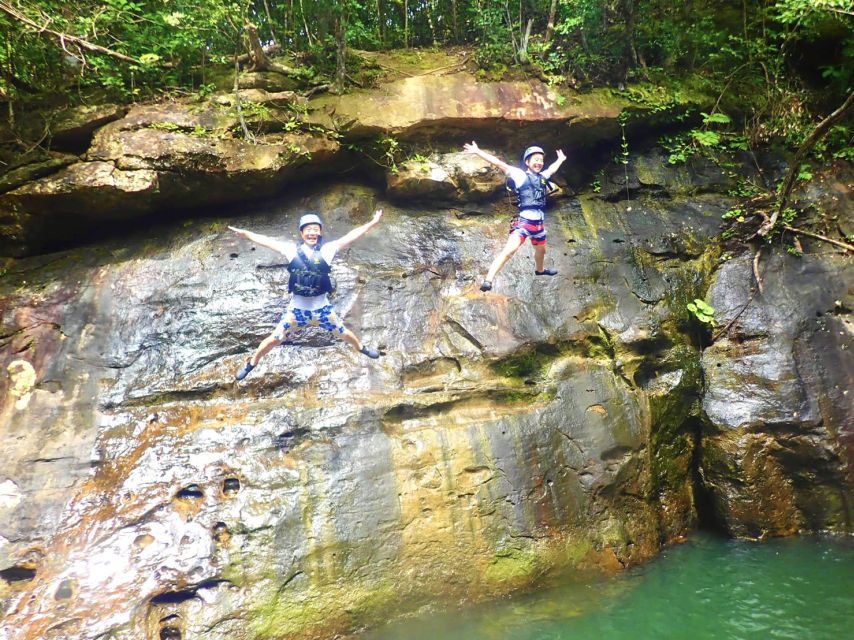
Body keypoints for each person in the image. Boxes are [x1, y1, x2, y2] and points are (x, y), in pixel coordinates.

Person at [229, 210, 383, 380]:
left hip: (322, 310)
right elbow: (267, 241)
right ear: (302, 233)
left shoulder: (328, 249)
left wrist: (372, 223)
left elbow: (350, 236)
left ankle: (361, 348)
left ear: (320, 232)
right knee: (275, 338)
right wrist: (247, 235)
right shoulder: (291, 250)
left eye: (315, 229)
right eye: (308, 229)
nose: (312, 232)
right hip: (297, 312)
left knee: (343, 332)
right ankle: (252, 363)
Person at [463, 141, 566, 291]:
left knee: (541, 250)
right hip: (525, 222)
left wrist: (560, 160)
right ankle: (488, 280)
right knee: (509, 251)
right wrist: (478, 151)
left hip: (539, 224)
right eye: (535, 159)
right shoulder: (519, 175)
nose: (539, 162)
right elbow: (499, 163)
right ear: (527, 162)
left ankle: (540, 270)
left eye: (541, 160)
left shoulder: (543, 177)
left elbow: (552, 169)